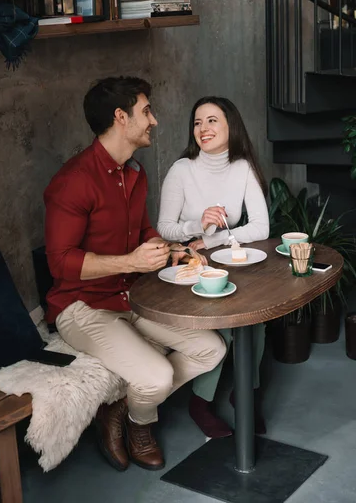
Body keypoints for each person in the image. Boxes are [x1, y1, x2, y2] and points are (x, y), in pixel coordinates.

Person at [44, 78, 225, 472]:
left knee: (212, 349)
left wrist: (171, 249)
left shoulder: (135, 174)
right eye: (146, 111)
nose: (154, 121)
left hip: (133, 296)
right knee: (158, 375)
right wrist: (132, 262)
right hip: (81, 306)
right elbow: (59, 262)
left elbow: (142, 232)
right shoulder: (72, 181)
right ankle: (142, 427)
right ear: (120, 117)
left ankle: (123, 408)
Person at [157, 96, 270, 438]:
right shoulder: (182, 170)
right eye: (197, 122)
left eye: (211, 121)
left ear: (230, 125)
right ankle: (200, 402)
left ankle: (245, 395)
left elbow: (261, 228)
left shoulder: (242, 168)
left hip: (227, 259)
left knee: (257, 318)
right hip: (191, 266)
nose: (203, 129)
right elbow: (164, 228)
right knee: (220, 321)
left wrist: (214, 238)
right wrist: (196, 226)